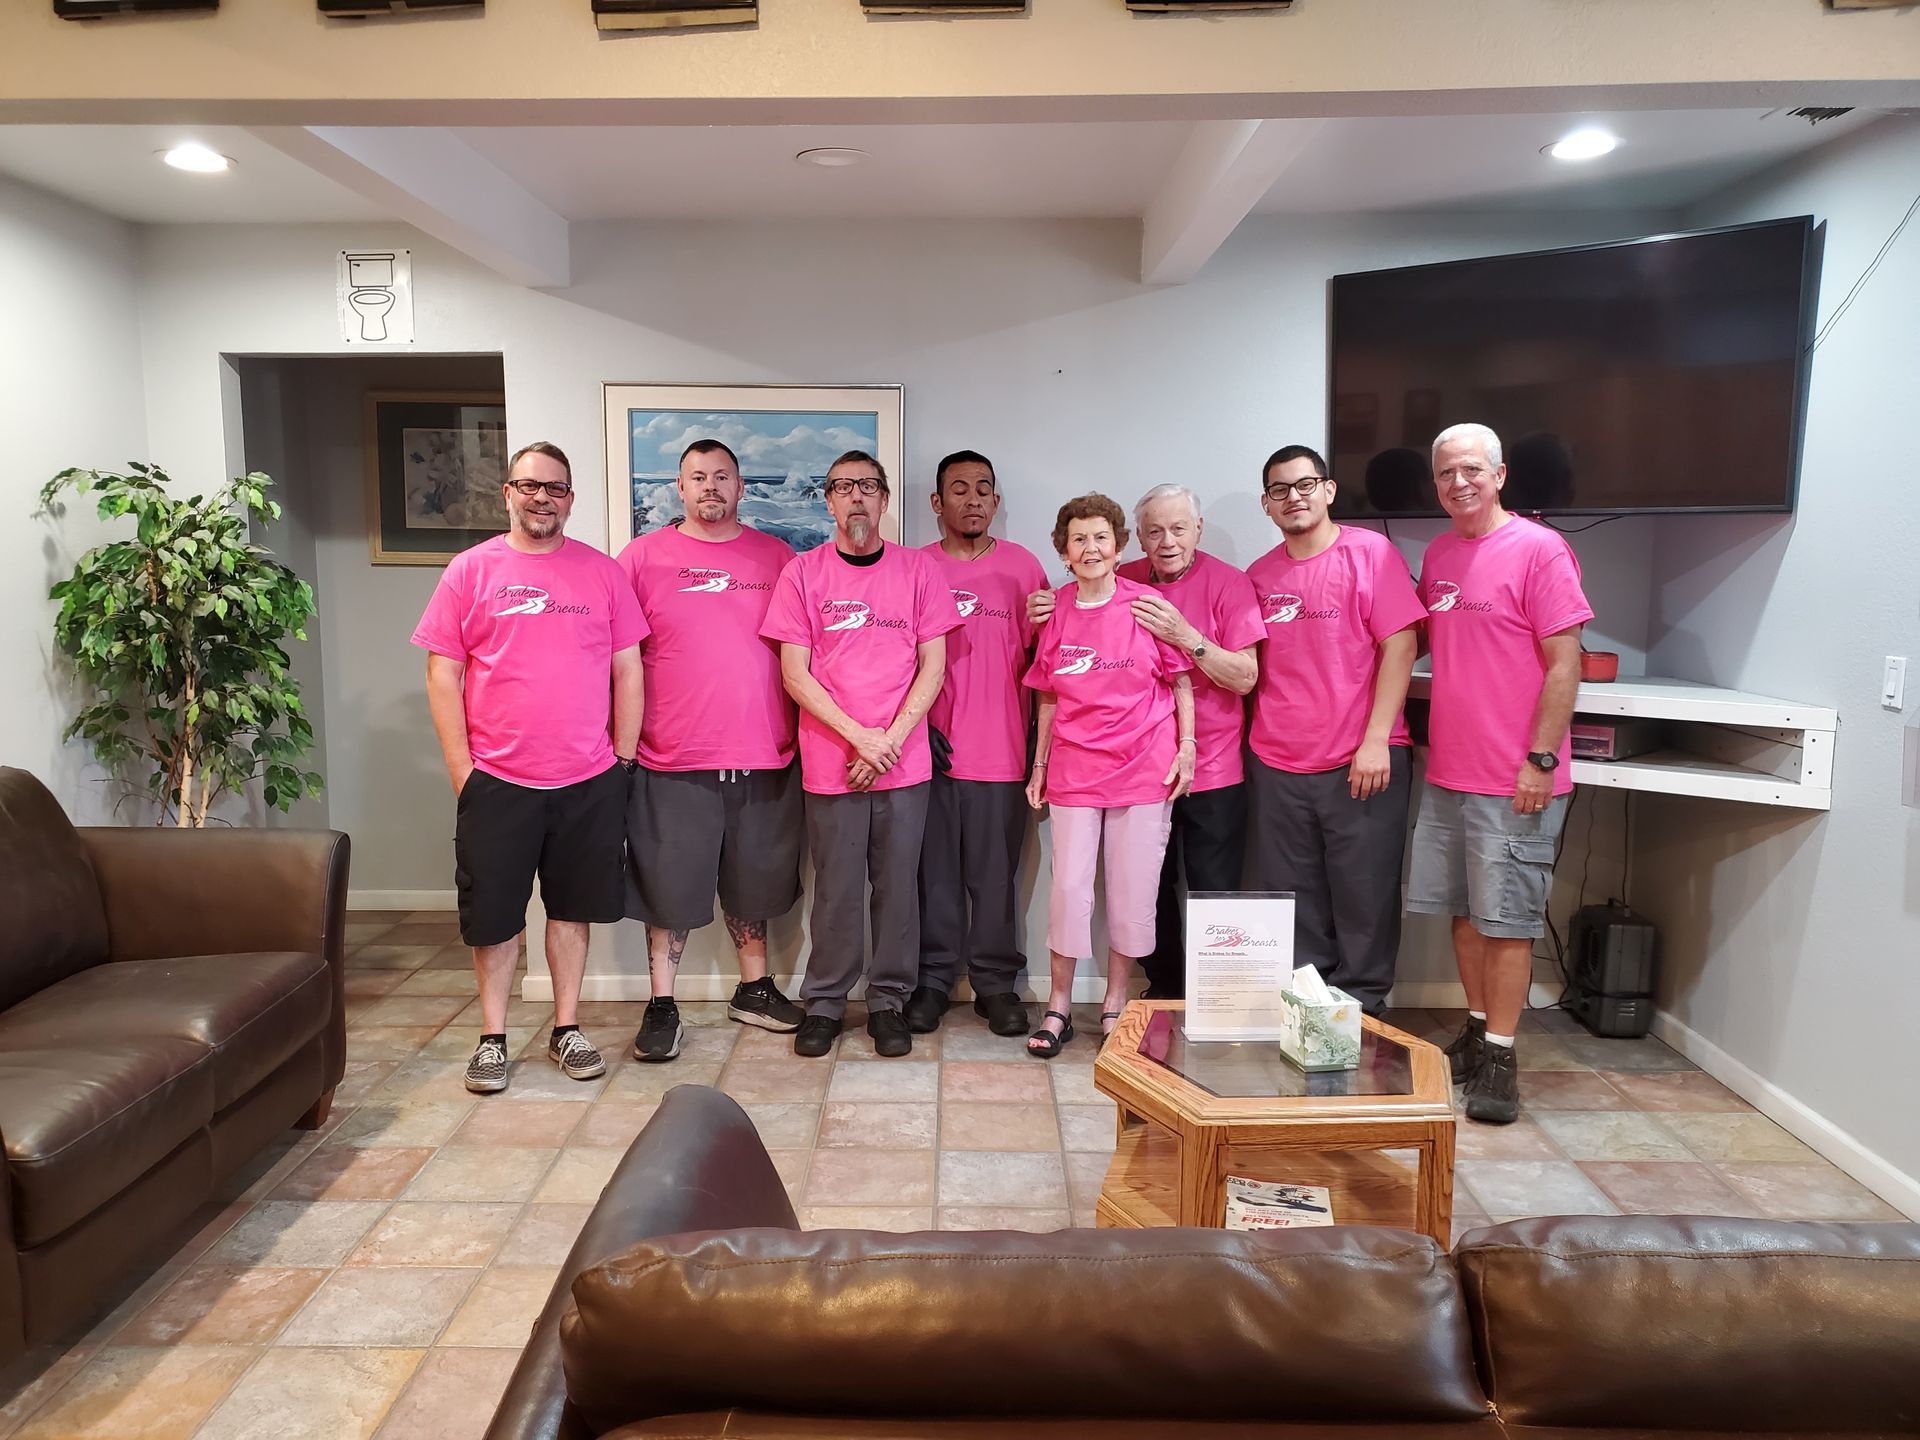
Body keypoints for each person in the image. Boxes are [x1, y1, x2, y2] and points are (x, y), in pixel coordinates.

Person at [413, 440, 645, 1095]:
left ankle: (566, 1028)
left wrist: (622, 760)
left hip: (588, 779)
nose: (542, 497)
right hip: (498, 782)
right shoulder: (470, 570)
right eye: (530, 485)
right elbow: (442, 671)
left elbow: (628, 668)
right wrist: (464, 770)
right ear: (508, 493)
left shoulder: (602, 573)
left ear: (570, 499)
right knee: (495, 917)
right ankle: (492, 1038)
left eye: (556, 488)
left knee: (571, 913)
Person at [1408, 422, 1592, 1125]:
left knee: (1509, 923)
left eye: (1472, 470)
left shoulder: (1540, 550)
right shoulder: (1440, 554)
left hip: (1517, 776)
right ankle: (1478, 1026)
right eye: (1448, 472)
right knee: (1464, 912)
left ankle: (1504, 1058)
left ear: (1501, 474)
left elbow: (1565, 662)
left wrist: (1541, 759)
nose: (1460, 482)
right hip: (1450, 770)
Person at [760, 451, 960, 1059]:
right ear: (828, 501)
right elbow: (796, 675)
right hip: (830, 762)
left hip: (904, 763)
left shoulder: (919, 572)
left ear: (884, 499)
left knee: (899, 887)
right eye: (844, 488)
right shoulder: (802, 574)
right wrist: (860, 737)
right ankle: (824, 1001)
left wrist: (889, 740)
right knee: (838, 889)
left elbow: (934, 665)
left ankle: (888, 1001)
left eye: (868, 487)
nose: (856, 499)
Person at [614, 438, 806, 1063]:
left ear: (741, 487)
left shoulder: (779, 558)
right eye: (698, 477)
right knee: (669, 886)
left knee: (755, 880)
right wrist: (618, 746)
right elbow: (615, 660)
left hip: (763, 750)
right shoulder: (639, 559)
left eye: (722, 476)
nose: (711, 487)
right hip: (671, 753)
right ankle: (662, 1003)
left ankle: (754, 988)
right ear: (679, 487)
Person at [1031, 485, 1260, 998]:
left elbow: (1244, 677)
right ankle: (1164, 992)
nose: (1167, 541)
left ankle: (1214, 999)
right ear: (1136, 540)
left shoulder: (1228, 585)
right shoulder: (1126, 580)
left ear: (1197, 529)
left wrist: (1188, 637)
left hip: (1210, 764)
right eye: (1154, 531)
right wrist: (1044, 603)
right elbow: (1076, 617)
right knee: (1145, 891)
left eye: (1179, 529)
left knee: (1209, 889)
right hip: (1133, 772)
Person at [1244, 445, 1426, 1016]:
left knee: (1364, 899)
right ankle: (1309, 1017)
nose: (1293, 497)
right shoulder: (1259, 575)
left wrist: (1376, 741)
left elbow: (1402, 644)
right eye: (1279, 490)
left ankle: (1364, 1016)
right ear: (1267, 506)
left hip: (1361, 762)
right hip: (1276, 763)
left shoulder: (1371, 554)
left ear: (1328, 490)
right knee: (1294, 905)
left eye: (1304, 485)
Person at [1023, 493, 1195, 1057]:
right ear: (1065, 552)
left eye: (1101, 537)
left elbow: (1180, 682)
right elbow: (1048, 694)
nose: (1090, 548)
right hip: (1075, 770)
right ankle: (1059, 1007)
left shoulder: (1148, 606)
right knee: (1069, 891)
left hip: (1145, 769)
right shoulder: (1056, 611)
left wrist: (1187, 747)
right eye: (1079, 539)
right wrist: (1040, 764)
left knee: (1132, 892)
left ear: (1119, 546)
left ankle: (1116, 1004)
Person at [910, 450, 1048, 1038]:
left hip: (1001, 750)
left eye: (983, 489)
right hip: (929, 755)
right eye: (959, 489)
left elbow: (1048, 664)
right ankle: (934, 979)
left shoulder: (1023, 568)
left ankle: (996, 984)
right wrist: (915, 729)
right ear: (938, 503)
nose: (973, 499)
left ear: (995, 502)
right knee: (932, 876)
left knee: (995, 878)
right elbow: (892, 661)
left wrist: (1039, 750)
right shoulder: (913, 568)